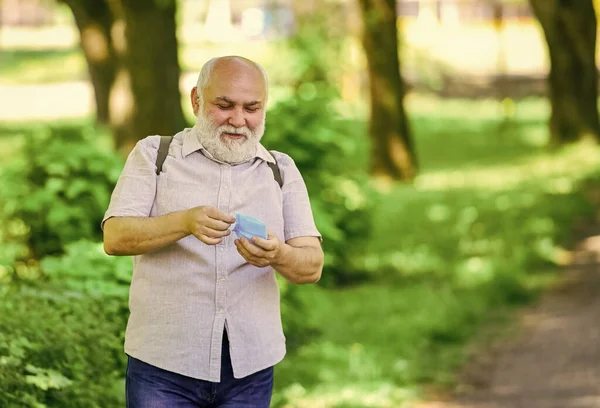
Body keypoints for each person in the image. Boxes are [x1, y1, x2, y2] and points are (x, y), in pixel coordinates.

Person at [102, 56, 324, 408]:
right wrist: (184, 221)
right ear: (196, 100)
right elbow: (115, 237)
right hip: (163, 365)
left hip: (249, 368)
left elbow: (312, 266)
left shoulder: (281, 170)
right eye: (224, 105)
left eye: (252, 108)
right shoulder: (154, 155)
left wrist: (278, 254)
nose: (238, 120)